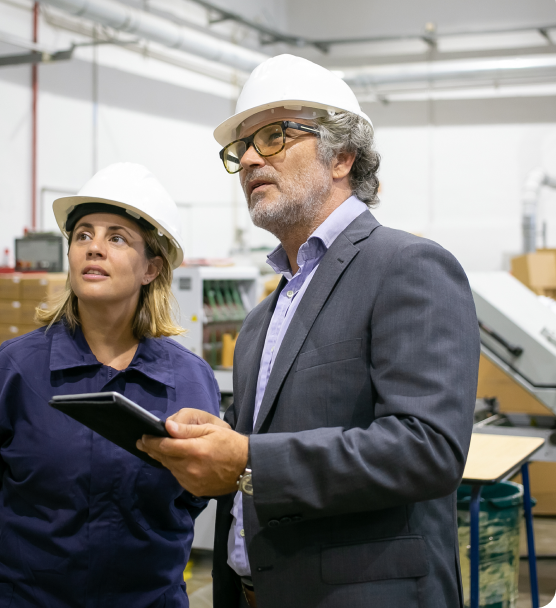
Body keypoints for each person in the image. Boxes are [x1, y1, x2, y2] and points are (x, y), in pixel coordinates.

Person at [139, 54, 480, 608]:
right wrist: (212, 443)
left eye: (273, 135)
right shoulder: (261, 320)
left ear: (342, 156)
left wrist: (248, 459)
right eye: (241, 147)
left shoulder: (407, 266)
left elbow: (428, 449)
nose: (249, 158)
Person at [0, 163, 220, 608]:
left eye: (116, 238)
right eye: (83, 235)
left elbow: (195, 492)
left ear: (151, 268)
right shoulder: (15, 369)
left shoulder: (188, 378)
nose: (94, 249)